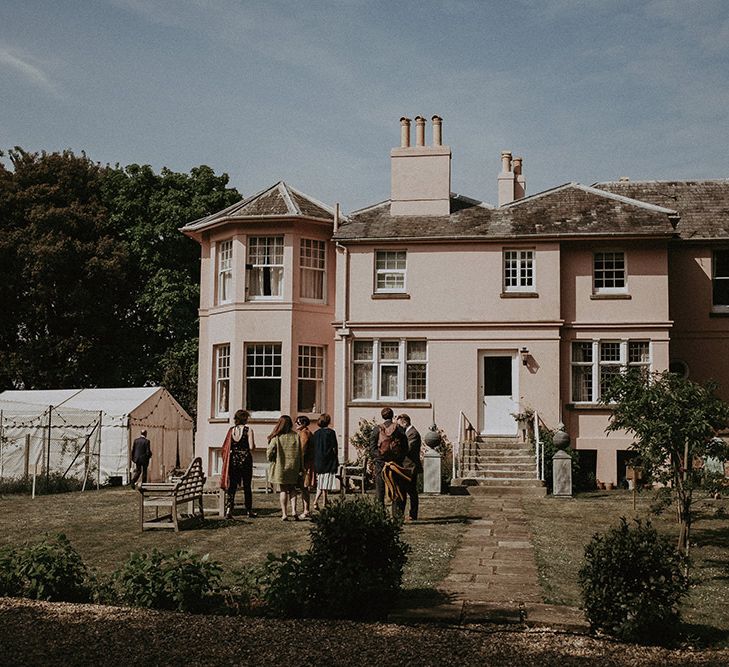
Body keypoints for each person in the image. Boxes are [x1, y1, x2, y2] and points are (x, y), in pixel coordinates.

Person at [368, 407, 409, 517]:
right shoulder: (399, 429)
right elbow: (405, 447)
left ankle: (379, 515)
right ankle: (397, 515)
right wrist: (398, 458)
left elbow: (372, 448)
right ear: (392, 415)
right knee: (396, 489)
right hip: (395, 464)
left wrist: (379, 457)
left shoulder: (377, 429)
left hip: (380, 464)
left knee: (380, 490)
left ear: (382, 416)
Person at [220, 409, 257, 519]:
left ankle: (228, 510)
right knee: (247, 485)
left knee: (232, 486)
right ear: (245, 418)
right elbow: (251, 447)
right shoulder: (249, 430)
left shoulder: (231, 430)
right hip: (245, 458)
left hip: (233, 459)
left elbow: (227, 446)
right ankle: (249, 510)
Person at [267, 415, 303, 521]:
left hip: (281, 466)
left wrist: (271, 458)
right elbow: (300, 453)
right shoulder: (296, 436)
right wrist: (301, 467)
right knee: (293, 489)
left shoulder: (277, 437)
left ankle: (284, 514)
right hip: (293, 466)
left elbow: (269, 452)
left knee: (283, 490)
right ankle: (294, 511)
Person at [397, 414, 422, 521]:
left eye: (399, 424)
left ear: (404, 422)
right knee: (405, 491)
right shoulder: (408, 433)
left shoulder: (413, 434)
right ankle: (404, 513)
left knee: (411, 492)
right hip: (406, 466)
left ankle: (412, 514)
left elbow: (408, 449)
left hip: (410, 467)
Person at [312, 413, 339, 510]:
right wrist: (336, 459)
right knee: (325, 482)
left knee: (322, 481)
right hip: (328, 459)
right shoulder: (331, 432)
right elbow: (334, 447)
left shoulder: (316, 433)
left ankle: (325, 500)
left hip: (318, 460)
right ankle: (317, 501)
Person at [294, 415, 316, 518]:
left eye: (297, 423)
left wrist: (298, 462)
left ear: (303, 424)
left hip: (305, 464)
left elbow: (302, 449)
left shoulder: (304, 433)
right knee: (304, 488)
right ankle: (306, 509)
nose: (295, 424)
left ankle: (306, 510)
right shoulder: (306, 432)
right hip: (307, 462)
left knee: (304, 487)